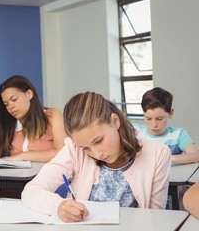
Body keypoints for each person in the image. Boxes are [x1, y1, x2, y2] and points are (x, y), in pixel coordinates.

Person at [22, 91, 171, 223]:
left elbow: (155, 218)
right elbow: (31, 190)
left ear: (115, 121)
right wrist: (58, 206)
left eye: (99, 141)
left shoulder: (158, 154)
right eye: (86, 148)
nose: (96, 153)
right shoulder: (74, 149)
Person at [0, 75, 66, 162]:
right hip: (16, 175)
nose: (10, 106)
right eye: (6, 104)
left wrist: (22, 156)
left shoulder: (53, 115)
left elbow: (62, 153)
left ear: (29, 94)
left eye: (14, 99)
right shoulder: (8, 124)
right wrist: (1, 122)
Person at [133, 87, 199, 165]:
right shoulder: (135, 131)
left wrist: (167, 158)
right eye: (148, 118)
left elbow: (196, 155)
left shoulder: (178, 135)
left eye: (159, 119)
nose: (154, 125)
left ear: (170, 113)